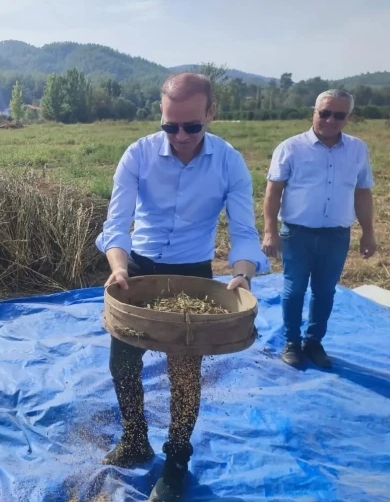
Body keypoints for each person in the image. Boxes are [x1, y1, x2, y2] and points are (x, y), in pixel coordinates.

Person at [96, 72, 269, 502]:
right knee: (123, 363)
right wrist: (119, 267)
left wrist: (242, 273)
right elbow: (116, 224)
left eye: (193, 125)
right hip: (139, 270)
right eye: (170, 126)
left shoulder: (228, 161)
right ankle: (135, 438)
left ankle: (176, 461)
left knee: (185, 373)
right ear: (161, 114)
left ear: (211, 113)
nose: (181, 135)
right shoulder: (138, 155)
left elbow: (245, 232)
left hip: (193, 273)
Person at [262, 89, 376, 370]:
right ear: (313, 112)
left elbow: (363, 192)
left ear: (348, 118)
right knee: (294, 290)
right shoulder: (291, 147)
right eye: (324, 113)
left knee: (325, 291)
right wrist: (269, 231)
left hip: (336, 235)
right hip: (297, 233)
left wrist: (368, 231)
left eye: (339, 115)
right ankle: (291, 342)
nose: (330, 120)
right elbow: (273, 191)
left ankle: (314, 342)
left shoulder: (357, 150)